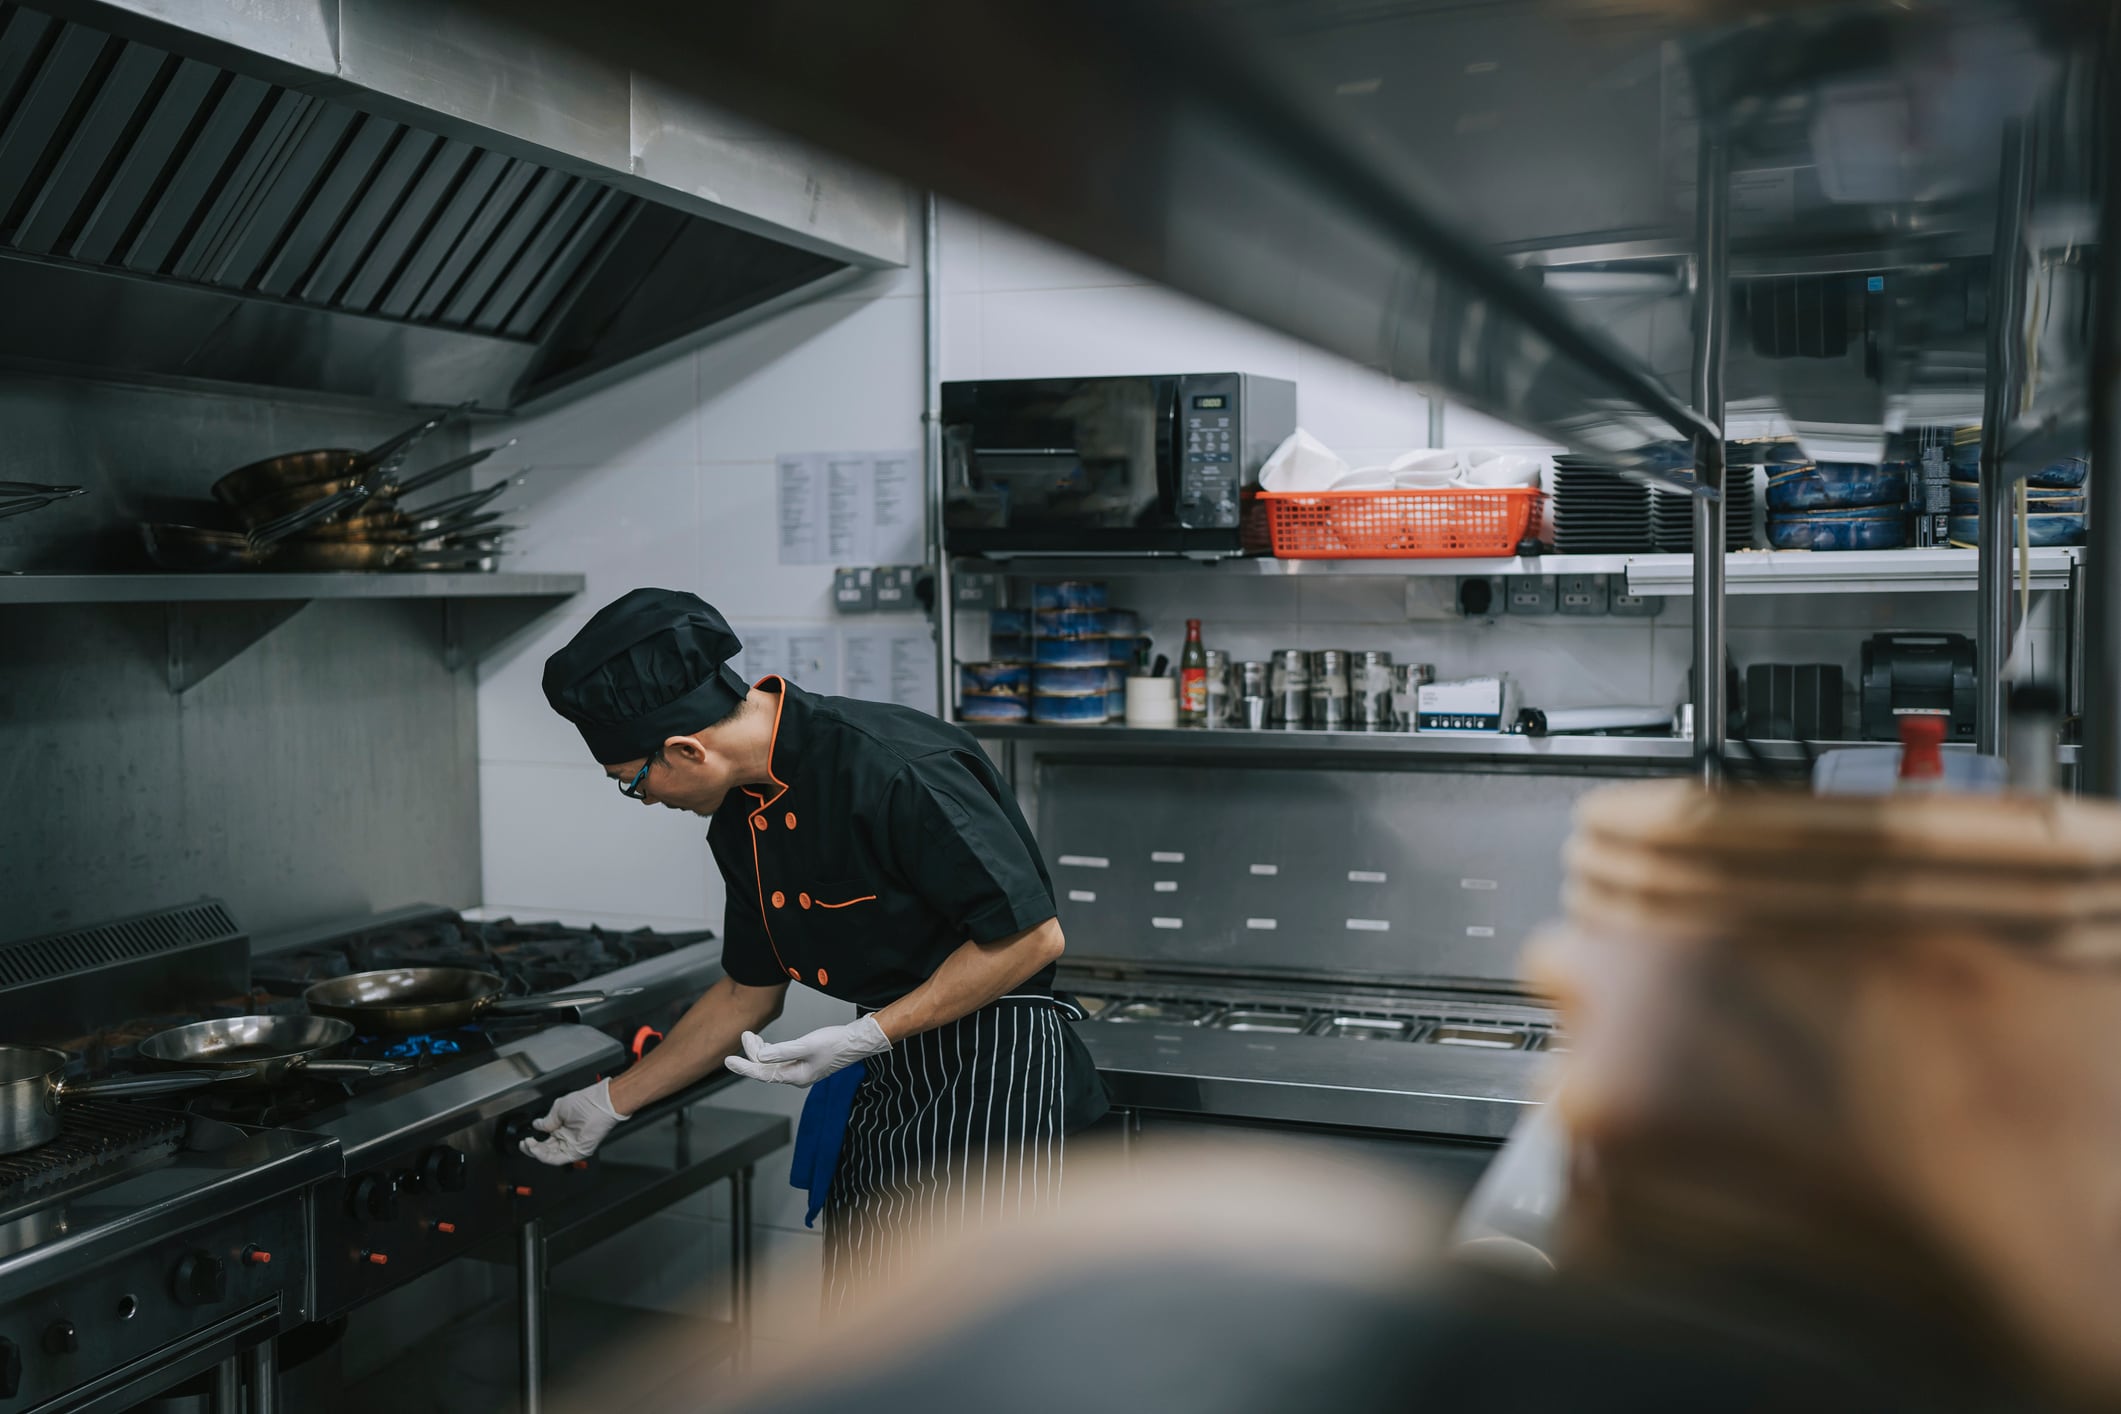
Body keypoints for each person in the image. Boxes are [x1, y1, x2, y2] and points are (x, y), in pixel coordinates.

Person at [521, 587, 1105, 1304]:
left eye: (632, 782)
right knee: (862, 1331)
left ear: (685, 748)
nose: (643, 800)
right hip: (892, 1084)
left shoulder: (893, 766)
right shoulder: (740, 822)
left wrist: (869, 1033)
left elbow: (1030, 939)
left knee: (956, 1341)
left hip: (993, 1077)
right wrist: (612, 1101)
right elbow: (747, 993)